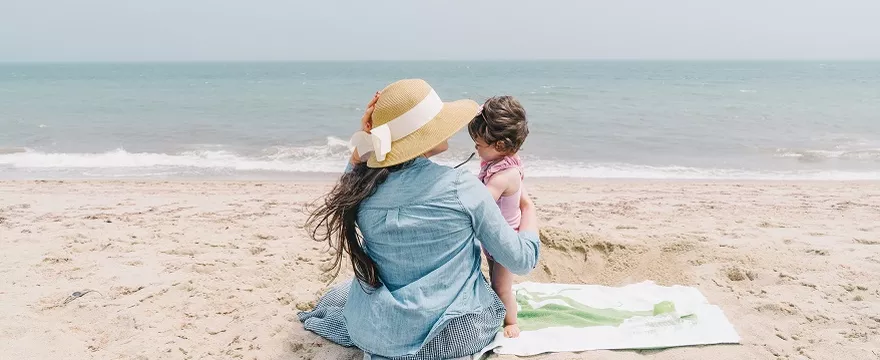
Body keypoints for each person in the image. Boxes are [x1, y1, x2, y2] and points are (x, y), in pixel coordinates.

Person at [298, 79, 540, 360]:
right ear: (422, 135)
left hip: (379, 328)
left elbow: (347, 183)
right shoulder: (461, 187)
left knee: (341, 296)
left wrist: (362, 147)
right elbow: (521, 260)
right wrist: (529, 208)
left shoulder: (360, 190)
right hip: (453, 333)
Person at [467, 95, 529, 338]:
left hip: (504, 241)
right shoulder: (501, 163)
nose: (475, 148)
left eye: (479, 144)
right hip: (494, 239)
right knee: (494, 277)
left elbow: (481, 200)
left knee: (501, 286)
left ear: (501, 146)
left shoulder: (504, 176)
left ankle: (510, 321)